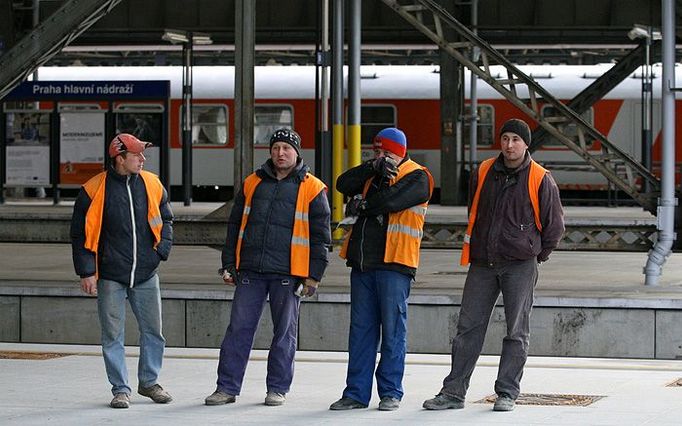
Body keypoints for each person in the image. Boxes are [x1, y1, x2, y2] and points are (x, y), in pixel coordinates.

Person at [422, 118, 564, 412]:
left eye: (515, 139)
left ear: (526, 144)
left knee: (516, 330)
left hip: (520, 265)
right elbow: (474, 210)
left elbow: (555, 227)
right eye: (505, 138)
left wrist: (536, 253)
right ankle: (453, 393)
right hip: (483, 263)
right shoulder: (484, 171)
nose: (509, 145)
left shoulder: (541, 178)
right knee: (467, 328)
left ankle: (507, 392)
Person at [205, 128, 331, 407]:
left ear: (297, 152)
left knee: (284, 334)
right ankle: (226, 388)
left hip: (289, 272)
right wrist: (229, 263)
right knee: (237, 330)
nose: (280, 153)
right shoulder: (252, 183)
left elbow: (322, 238)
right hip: (251, 270)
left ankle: (277, 388)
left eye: (286, 148)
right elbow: (235, 226)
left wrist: (313, 276)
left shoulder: (313, 188)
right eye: (275, 148)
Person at [329, 127, 434, 412]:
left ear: (400, 152)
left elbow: (391, 201)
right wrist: (369, 168)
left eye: (386, 152)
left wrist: (362, 205)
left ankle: (390, 392)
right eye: (376, 152)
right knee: (360, 331)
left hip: (395, 264)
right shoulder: (371, 173)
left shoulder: (418, 176)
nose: (381, 156)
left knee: (392, 331)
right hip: (363, 263)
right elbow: (341, 183)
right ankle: (355, 393)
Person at [70, 133, 174, 409]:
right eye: (137, 154)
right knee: (112, 335)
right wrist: (87, 272)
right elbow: (80, 235)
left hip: (146, 273)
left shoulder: (152, 184)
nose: (143, 159)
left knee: (154, 331)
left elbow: (167, 219)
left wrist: (160, 252)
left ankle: (149, 382)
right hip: (109, 275)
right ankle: (120, 390)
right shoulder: (93, 190)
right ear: (120, 158)